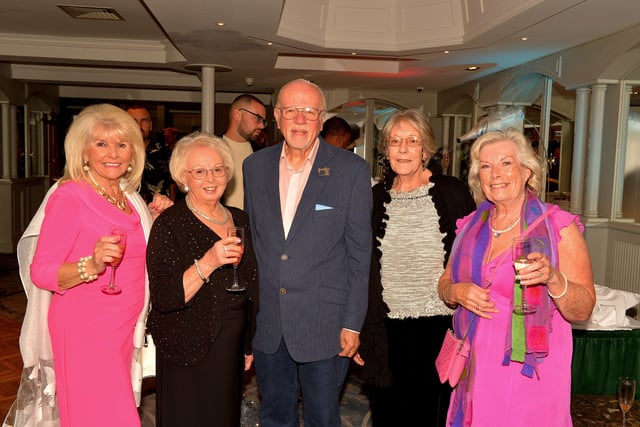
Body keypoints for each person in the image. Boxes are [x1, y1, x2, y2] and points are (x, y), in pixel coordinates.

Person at [22, 103, 172, 427]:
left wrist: (155, 220)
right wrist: (90, 265)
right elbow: (42, 271)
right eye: (101, 144)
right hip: (85, 332)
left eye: (122, 144)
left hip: (123, 329)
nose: (113, 153)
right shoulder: (70, 195)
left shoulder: (127, 196)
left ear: (134, 151)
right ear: (83, 152)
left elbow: (137, 251)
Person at [437, 128, 595, 426]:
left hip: (532, 371)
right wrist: (456, 293)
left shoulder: (558, 227)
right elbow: (444, 285)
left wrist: (553, 278)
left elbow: (583, 308)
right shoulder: (470, 226)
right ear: (477, 177)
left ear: (526, 171)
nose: (495, 174)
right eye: (486, 166)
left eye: (506, 163)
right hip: (475, 366)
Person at [243, 78, 372, 427]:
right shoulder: (254, 168)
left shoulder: (351, 171)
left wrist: (352, 322)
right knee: (274, 416)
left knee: (322, 418)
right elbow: (254, 246)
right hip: (270, 322)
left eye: (309, 111)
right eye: (292, 111)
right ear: (277, 116)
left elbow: (361, 256)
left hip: (326, 324)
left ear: (322, 117)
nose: (300, 119)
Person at [356, 109, 476, 426]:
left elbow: (474, 254)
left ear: (426, 150)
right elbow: (361, 268)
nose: (404, 149)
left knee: (431, 415)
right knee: (389, 414)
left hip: (439, 325)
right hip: (386, 328)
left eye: (412, 141)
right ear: (385, 149)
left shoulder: (453, 192)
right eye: (396, 141)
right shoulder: (374, 198)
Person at [146, 132, 259, 427]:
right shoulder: (170, 224)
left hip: (231, 343)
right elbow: (165, 297)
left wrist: (249, 342)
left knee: (223, 416)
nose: (211, 178)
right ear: (183, 177)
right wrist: (208, 261)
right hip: (188, 344)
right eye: (199, 171)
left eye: (218, 169)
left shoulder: (240, 218)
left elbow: (251, 287)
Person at [222, 94, 268, 209]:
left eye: (263, 121)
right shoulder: (212, 149)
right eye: (257, 118)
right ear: (237, 114)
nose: (262, 126)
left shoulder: (262, 155)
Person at [126, 104, 176, 202]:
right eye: (133, 121)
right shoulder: (116, 154)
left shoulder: (165, 152)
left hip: (159, 212)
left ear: (150, 125)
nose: (139, 126)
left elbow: (173, 184)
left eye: (143, 121)